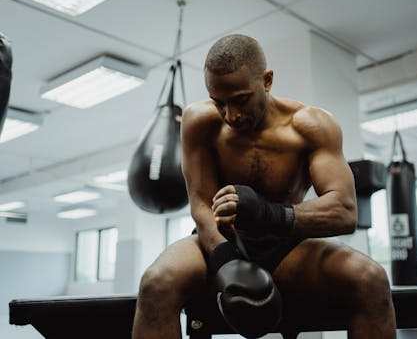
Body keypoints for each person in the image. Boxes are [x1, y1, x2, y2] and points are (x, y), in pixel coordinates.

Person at [132, 34, 396, 339]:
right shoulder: (199, 121)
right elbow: (200, 203)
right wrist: (225, 260)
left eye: (241, 99)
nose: (231, 115)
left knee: (371, 279)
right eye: (220, 103)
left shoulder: (311, 126)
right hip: (218, 239)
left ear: (267, 81)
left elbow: (345, 210)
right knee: (156, 283)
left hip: (286, 244)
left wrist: (268, 214)